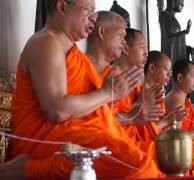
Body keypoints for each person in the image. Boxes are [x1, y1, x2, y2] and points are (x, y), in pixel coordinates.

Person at [1, 2, 162, 179]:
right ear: (62, 7)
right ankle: (26, 169)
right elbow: (57, 110)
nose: (93, 18)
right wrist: (109, 93)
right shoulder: (47, 43)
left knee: (145, 159)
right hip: (48, 138)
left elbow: (90, 112)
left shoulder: (74, 54)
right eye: (88, 10)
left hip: (77, 135)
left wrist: (127, 109)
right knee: (138, 167)